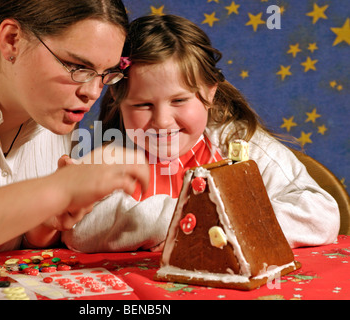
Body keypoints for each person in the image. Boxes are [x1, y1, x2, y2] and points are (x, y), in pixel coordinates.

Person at [0, 0, 150, 280]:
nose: (92, 92)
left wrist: (42, 228)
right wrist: (53, 192)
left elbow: (13, 253)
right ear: (12, 40)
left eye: (106, 75)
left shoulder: (53, 114)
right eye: (78, 66)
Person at [62, 14, 340, 253]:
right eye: (143, 105)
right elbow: (77, 230)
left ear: (209, 92)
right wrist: (187, 219)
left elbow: (320, 215)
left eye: (179, 101)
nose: (162, 121)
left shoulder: (240, 144)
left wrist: (222, 222)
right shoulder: (113, 155)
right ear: (118, 101)